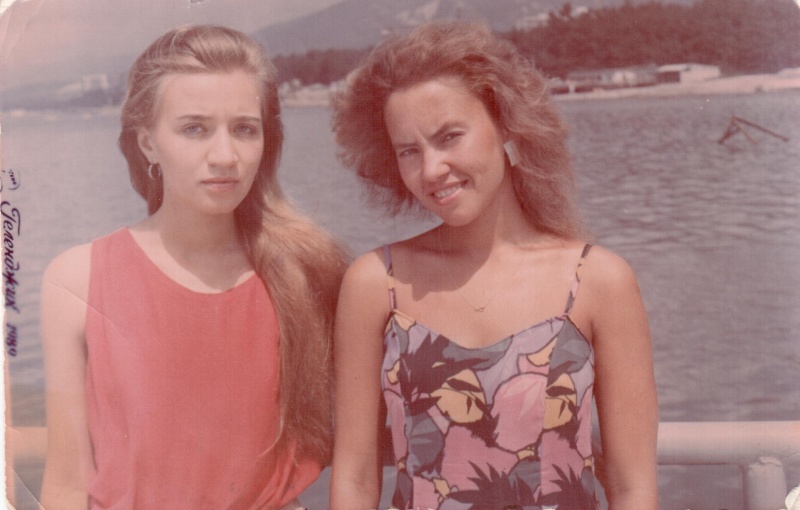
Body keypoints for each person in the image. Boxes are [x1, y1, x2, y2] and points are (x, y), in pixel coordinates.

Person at [329, 21, 659, 510]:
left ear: (506, 124)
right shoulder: (376, 284)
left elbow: (633, 487)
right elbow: (355, 479)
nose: (431, 169)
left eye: (450, 137)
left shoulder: (598, 282)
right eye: (409, 151)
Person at [39, 25, 346, 509]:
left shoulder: (306, 272)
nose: (225, 156)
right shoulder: (77, 279)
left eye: (244, 129)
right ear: (148, 143)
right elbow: (66, 483)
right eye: (194, 129)